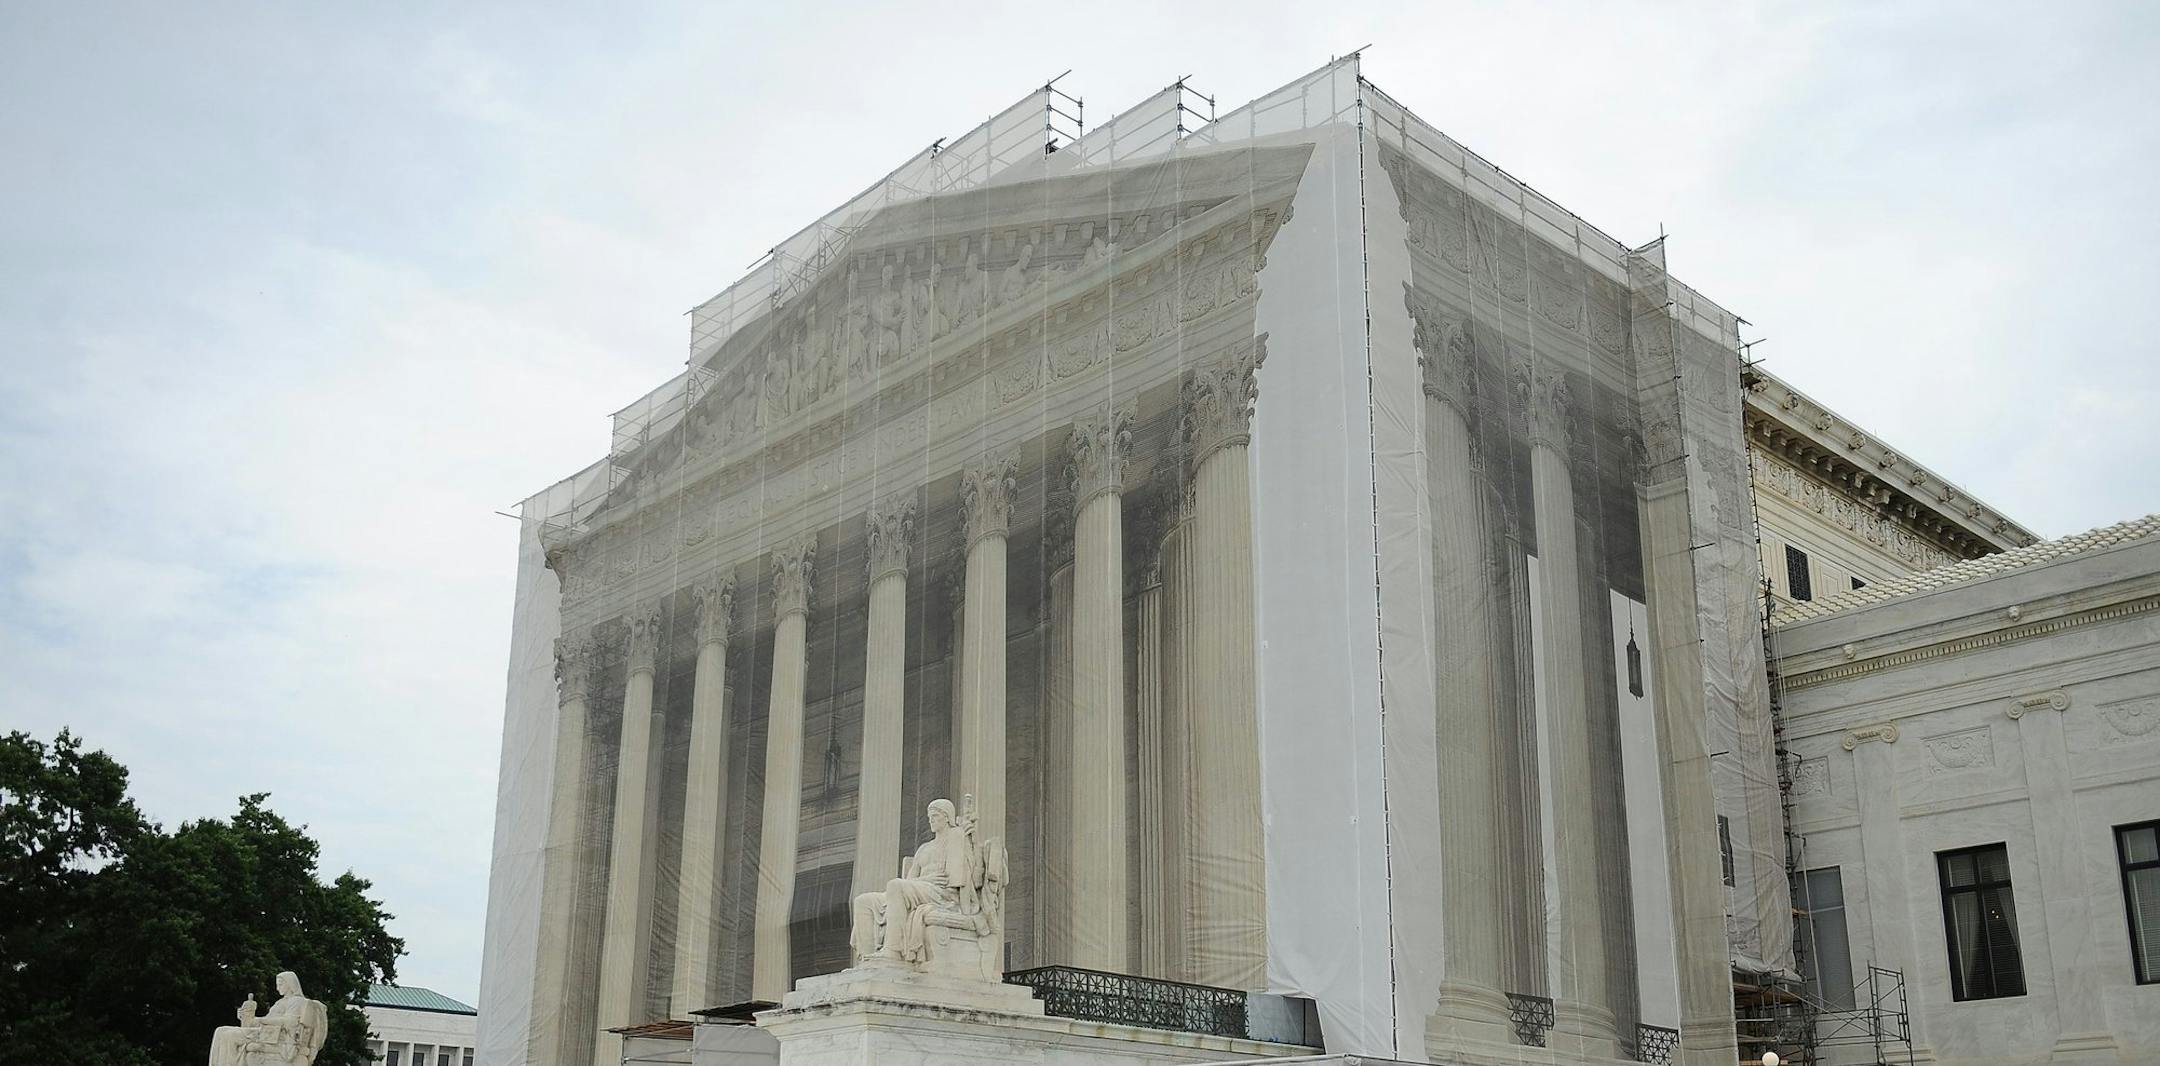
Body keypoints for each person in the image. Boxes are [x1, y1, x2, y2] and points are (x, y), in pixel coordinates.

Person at [850, 799, 975, 963]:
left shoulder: (955, 837)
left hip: (942, 893)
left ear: (947, 818)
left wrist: (967, 837)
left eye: (935, 816)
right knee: (863, 901)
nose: (931, 820)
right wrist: (926, 878)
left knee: (895, 885)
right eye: (930, 816)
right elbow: (910, 880)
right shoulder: (924, 848)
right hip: (921, 888)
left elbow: (958, 876)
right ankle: (867, 961)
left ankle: (893, 950)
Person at [207, 971, 326, 1066]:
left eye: (280, 984)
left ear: (290, 984)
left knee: (229, 1035)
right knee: (220, 1030)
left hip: (277, 1038)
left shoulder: (296, 1001)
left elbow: (290, 1022)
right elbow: (266, 1021)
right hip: (267, 1033)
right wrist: (248, 1018)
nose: (277, 988)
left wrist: (261, 1020)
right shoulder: (280, 1002)